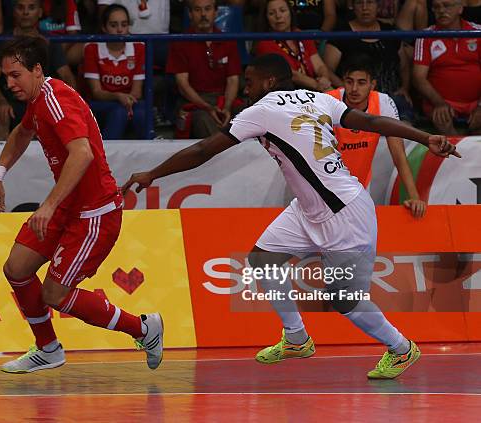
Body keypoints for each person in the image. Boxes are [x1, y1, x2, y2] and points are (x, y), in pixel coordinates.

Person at [123, 54, 460, 379]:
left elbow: (202, 151)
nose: (245, 89)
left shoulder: (260, 110)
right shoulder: (315, 98)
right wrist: (424, 136)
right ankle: (297, 338)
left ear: (269, 81)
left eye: (250, 82)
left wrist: (152, 173)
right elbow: (369, 122)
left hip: (345, 213)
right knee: (262, 258)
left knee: (344, 299)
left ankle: (400, 348)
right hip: (307, 209)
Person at [0, 36, 163, 373]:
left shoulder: (56, 101)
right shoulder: (39, 100)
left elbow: (83, 153)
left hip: (94, 214)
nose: (9, 84)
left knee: (55, 293)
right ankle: (48, 348)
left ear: (37, 70)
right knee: (17, 269)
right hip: (69, 207)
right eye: (6, 76)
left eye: (15, 75)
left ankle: (144, 328)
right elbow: (22, 133)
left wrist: (49, 205)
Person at [327, 56, 426, 217]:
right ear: (343, 81)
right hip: (325, 190)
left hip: (360, 189)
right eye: (349, 81)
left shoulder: (383, 103)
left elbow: (399, 156)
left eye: (361, 83)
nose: (354, 89)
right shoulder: (328, 101)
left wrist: (414, 198)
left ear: (372, 84)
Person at [0, 0, 76, 140]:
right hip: (11, 101)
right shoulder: (1, 41)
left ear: (40, 12)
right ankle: (3, 162)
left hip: (42, 101)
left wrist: (65, 101)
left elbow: (67, 75)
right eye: (20, 7)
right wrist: (1, 102)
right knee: (1, 115)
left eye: (31, 8)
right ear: (14, 12)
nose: (26, 12)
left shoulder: (49, 41)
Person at [323, 0, 415, 122]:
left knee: (405, 127)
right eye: (359, 3)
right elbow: (327, 69)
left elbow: (404, 65)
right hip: (355, 99)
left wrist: (404, 87)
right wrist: (346, 88)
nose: (365, 8)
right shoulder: (341, 32)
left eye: (370, 2)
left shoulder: (390, 32)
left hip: (392, 96)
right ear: (352, 6)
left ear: (378, 6)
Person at [166, 0, 242, 139]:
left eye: (207, 9)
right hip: (194, 100)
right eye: (197, 10)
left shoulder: (228, 40)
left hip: (223, 98)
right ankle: (222, 158)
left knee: (246, 113)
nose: (203, 14)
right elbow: (183, 85)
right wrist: (207, 107)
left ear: (215, 12)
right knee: (203, 118)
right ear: (190, 14)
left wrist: (226, 107)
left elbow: (233, 80)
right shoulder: (180, 42)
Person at [413, 0, 481, 134]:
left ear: (460, 8)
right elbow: (418, 78)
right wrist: (439, 103)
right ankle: (457, 152)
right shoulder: (425, 35)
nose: (442, 10)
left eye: (447, 5)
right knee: (442, 121)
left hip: (476, 102)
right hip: (440, 104)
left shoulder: (478, 32)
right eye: (436, 7)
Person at [84, 4, 146, 139]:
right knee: (119, 112)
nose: (119, 30)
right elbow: (96, 92)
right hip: (100, 103)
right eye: (113, 25)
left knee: (141, 113)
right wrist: (118, 96)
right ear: (104, 28)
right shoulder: (92, 48)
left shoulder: (139, 47)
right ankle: (104, 156)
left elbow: (137, 92)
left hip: (130, 100)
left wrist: (126, 100)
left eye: (124, 25)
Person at [254, 0, 342, 92]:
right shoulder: (265, 43)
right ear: (266, 18)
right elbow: (292, 75)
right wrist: (317, 86)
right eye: (272, 13)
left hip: (314, 90)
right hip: (286, 94)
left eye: (283, 10)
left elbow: (319, 66)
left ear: (290, 13)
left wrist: (324, 78)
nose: (278, 16)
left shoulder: (301, 35)